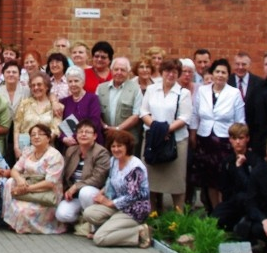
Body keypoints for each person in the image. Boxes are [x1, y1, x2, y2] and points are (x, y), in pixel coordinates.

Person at [191, 58, 245, 210]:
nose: (220, 75)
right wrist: (193, 135)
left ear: (228, 75)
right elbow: (195, 114)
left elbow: (240, 121)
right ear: (212, 74)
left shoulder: (234, 93)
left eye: (224, 72)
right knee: (209, 180)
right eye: (217, 72)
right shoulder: (202, 90)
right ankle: (213, 212)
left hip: (224, 142)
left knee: (223, 179)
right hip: (205, 140)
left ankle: (225, 212)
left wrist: (238, 145)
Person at [82, 129, 152, 248]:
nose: (116, 149)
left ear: (127, 147)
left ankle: (139, 232)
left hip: (133, 210)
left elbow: (132, 196)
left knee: (100, 239)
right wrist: (101, 193)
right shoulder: (114, 161)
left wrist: (109, 203)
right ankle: (112, 229)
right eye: (113, 146)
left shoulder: (135, 167)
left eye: (120, 146)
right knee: (89, 213)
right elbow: (110, 180)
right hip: (117, 206)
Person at [140, 58, 193, 212]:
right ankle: (152, 215)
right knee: (151, 181)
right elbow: (143, 112)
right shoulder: (151, 90)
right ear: (162, 72)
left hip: (175, 141)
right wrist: (157, 128)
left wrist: (166, 130)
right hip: (152, 141)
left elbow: (184, 117)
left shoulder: (183, 93)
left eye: (175, 72)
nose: (170, 75)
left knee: (176, 182)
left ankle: (178, 217)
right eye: (167, 71)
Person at [3, 123, 65, 234]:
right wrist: (20, 179)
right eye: (33, 135)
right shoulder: (28, 151)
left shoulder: (54, 155)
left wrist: (27, 189)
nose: (36, 137)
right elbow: (14, 170)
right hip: (27, 186)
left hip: (46, 192)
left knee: (22, 211)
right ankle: (9, 221)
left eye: (41, 134)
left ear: (48, 138)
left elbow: (50, 183)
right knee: (10, 182)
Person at [55, 120, 110, 224]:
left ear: (95, 136)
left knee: (85, 192)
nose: (83, 134)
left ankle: (93, 221)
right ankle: (82, 220)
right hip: (74, 195)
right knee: (62, 215)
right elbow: (64, 174)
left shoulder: (101, 153)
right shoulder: (71, 150)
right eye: (80, 132)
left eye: (87, 132)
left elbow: (98, 179)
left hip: (92, 193)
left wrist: (76, 187)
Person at [209, 123, 261, 232]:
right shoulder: (227, 162)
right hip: (233, 201)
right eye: (234, 138)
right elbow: (223, 187)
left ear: (247, 139)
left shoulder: (255, 160)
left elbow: (251, 187)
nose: (237, 142)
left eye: (241, 138)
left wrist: (239, 168)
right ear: (230, 140)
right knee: (213, 220)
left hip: (251, 202)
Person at [12, 71, 61, 158]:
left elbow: (55, 129)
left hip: (47, 151)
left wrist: (40, 145)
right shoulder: (24, 103)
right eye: (33, 85)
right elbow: (17, 126)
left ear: (46, 87)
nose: (36, 87)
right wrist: (16, 147)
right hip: (25, 150)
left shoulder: (56, 106)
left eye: (39, 84)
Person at [97, 56, 142, 149]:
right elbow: (96, 111)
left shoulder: (136, 89)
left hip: (128, 139)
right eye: (116, 69)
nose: (119, 72)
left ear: (128, 72)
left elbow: (136, 115)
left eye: (123, 70)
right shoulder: (101, 88)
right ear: (111, 70)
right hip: (106, 137)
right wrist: (105, 127)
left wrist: (117, 129)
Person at [58, 66, 105, 148]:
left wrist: (77, 136)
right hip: (71, 146)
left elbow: (95, 121)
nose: (73, 84)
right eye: (70, 81)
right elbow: (59, 123)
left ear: (83, 82)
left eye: (76, 81)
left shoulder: (92, 98)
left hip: (92, 144)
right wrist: (64, 138)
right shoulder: (64, 102)